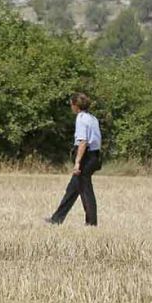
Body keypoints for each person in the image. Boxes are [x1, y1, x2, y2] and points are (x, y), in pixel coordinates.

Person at [46, 93, 102, 226]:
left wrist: (77, 162)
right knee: (72, 189)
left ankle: (91, 222)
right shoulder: (92, 118)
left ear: (76, 105)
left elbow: (83, 142)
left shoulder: (81, 118)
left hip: (86, 157)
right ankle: (57, 218)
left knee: (85, 189)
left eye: (71, 104)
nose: (71, 106)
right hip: (95, 155)